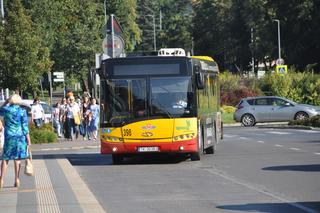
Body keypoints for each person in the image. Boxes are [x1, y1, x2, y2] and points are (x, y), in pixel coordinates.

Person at [0, 94, 31, 188]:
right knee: (17, 159)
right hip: (20, 137)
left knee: (5, 158)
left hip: (9, 136)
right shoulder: (22, 111)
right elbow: (25, 126)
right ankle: (17, 179)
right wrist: (28, 139)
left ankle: (1, 180)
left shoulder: (6, 110)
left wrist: (6, 102)